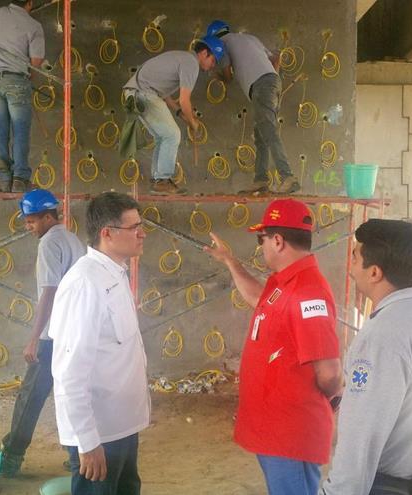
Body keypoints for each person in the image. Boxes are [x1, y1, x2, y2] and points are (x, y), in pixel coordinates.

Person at [322, 219, 412, 495]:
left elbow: (361, 436)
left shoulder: (383, 336)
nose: (350, 267)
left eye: (355, 257)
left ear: (375, 272)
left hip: (393, 487)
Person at [204, 198, 343, 495]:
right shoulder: (286, 283)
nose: (262, 246)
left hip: (290, 433)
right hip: (276, 431)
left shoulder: (307, 292)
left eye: (262, 239)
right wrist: (230, 261)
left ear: (278, 241)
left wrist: (328, 401)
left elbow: (330, 372)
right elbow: (259, 298)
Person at [49, 192, 150, 494]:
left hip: (121, 424)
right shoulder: (84, 284)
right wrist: (88, 441)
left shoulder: (114, 274)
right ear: (107, 233)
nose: (142, 233)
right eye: (134, 227)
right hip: (100, 431)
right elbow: (69, 371)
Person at [0, 189, 85, 477]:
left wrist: (35, 338)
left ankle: (11, 457)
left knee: (30, 397)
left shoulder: (49, 243)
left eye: (32, 221)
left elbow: (49, 291)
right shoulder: (72, 239)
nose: (29, 227)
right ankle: (78, 457)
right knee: (70, 394)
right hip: (74, 333)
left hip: (53, 336)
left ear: (48, 217)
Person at [123, 35, 224, 196]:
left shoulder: (181, 58)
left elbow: (166, 96)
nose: (212, 66)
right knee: (172, 135)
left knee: (162, 137)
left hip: (136, 93)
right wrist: (192, 122)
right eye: (213, 61)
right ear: (205, 53)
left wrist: (180, 114)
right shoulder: (191, 63)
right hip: (144, 93)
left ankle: (158, 180)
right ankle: (162, 180)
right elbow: (185, 100)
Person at [207, 20, 300, 195]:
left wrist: (217, 75)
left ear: (214, 37)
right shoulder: (249, 38)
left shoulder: (223, 44)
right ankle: (261, 179)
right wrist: (271, 76)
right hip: (272, 82)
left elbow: (227, 76)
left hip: (262, 86)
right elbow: (275, 57)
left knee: (268, 130)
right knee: (261, 134)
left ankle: (287, 176)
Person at [0, 0, 44, 193]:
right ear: (30, 3)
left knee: (0, 128)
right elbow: (36, 61)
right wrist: (27, 78)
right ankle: (20, 178)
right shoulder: (34, 26)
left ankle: (3, 177)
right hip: (17, 80)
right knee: (20, 131)